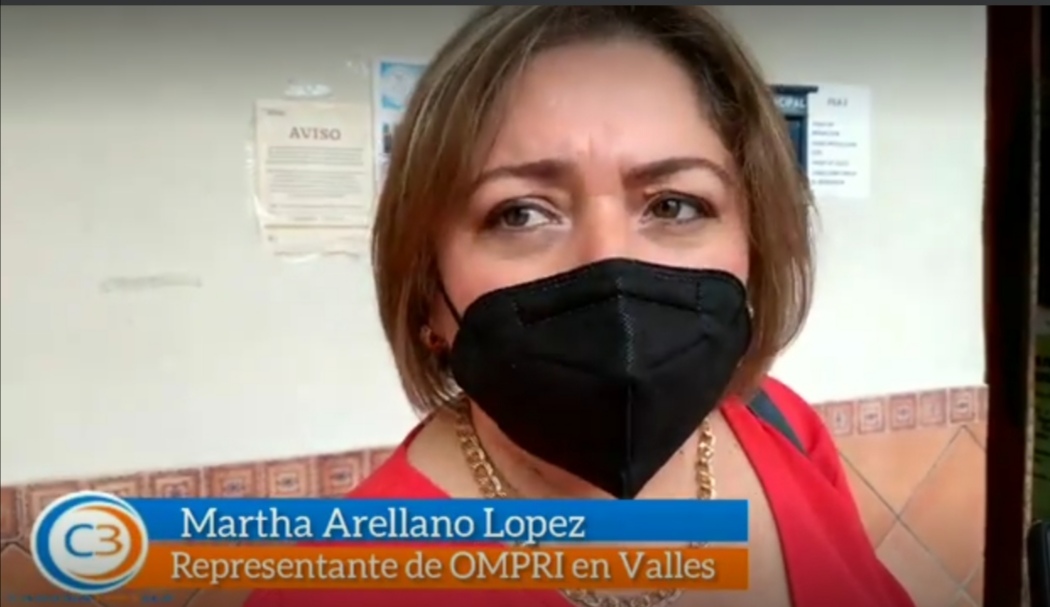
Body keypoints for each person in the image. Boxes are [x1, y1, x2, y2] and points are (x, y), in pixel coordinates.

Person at [246, 6, 914, 607]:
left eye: (674, 205)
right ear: (427, 293)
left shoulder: (786, 427)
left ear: (754, 244)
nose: (609, 265)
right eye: (520, 213)